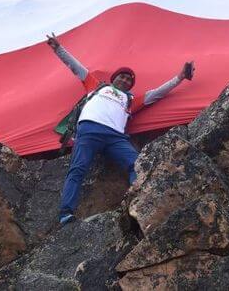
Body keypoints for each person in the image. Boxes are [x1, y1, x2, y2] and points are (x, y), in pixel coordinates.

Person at [46, 33, 194, 225]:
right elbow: (75, 66)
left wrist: (180, 77)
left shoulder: (130, 100)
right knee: (78, 169)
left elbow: (158, 93)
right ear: (114, 78)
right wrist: (58, 48)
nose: (125, 81)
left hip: (115, 138)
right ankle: (66, 214)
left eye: (129, 80)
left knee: (137, 164)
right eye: (122, 77)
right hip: (89, 130)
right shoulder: (97, 86)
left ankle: (141, 202)